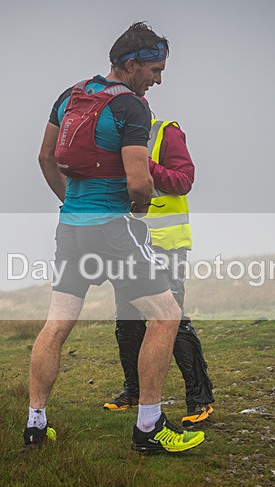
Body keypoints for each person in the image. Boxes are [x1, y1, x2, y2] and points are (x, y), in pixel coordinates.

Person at [24, 22, 205, 454]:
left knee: (56, 325)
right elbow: (140, 183)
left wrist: (71, 203)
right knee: (167, 316)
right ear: (131, 64)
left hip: (70, 229)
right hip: (113, 230)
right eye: (154, 70)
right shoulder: (132, 108)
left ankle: (35, 424)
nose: (158, 80)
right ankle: (148, 427)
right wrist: (135, 213)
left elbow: (45, 158)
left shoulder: (70, 96)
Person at [103, 117, 215, 427]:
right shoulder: (113, 138)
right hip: (126, 244)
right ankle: (134, 392)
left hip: (167, 245)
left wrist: (143, 165)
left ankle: (200, 398)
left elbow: (183, 181)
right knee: (127, 320)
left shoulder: (165, 132)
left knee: (172, 319)